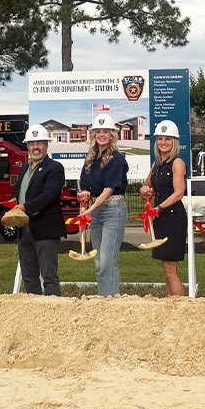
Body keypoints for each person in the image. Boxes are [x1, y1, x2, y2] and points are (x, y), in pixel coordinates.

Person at [11, 124, 67, 296]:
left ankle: (54, 313)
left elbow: (49, 195)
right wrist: (13, 202)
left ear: (46, 145)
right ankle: (35, 315)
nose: (36, 147)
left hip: (45, 230)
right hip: (24, 229)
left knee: (49, 276)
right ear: (27, 146)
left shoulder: (55, 168)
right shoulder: (24, 169)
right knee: (29, 276)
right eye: (32, 143)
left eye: (40, 143)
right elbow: (20, 192)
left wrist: (26, 207)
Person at [77, 113, 129, 296]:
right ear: (93, 135)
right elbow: (85, 186)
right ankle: (103, 297)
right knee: (99, 261)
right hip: (97, 211)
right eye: (98, 131)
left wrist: (89, 210)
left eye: (105, 131)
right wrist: (84, 195)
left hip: (113, 210)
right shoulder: (90, 159)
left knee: (107, 260)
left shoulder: (117, 159)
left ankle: (111, 301)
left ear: (112, 135)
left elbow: (108, 190)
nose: (101, 135)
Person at [140, 120, 187, 297]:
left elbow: (179, 193)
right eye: (160, 138)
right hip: (161, 217)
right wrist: (145, 189)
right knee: (167, 268)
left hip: (173, 217)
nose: (163, 142)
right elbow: (147, 185)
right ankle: (170, 304)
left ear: (174, 141)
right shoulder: (157, 164)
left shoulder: (177, 163)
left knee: (170, 269)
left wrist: (158, 208)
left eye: (168, 138)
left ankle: (181, 308)